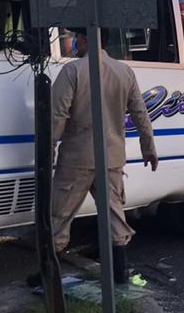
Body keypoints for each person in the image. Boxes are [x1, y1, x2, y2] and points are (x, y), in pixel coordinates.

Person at [48, 27, 159, 284]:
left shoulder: (73, 71)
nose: (75, 43)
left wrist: (48, 152)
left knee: (59, 216)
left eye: (77, 38)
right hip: (112, 157)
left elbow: (56, 117)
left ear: (87, 40)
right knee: (113, 214)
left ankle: (50, 276)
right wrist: (148, 147)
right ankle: (119, 273)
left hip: (77, 157)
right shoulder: (124, 71)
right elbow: (140, 113)